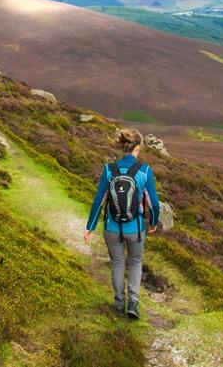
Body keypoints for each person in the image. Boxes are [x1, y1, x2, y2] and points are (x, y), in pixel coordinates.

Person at [83, 128, 160, 319]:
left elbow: (99, 200)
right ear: (137, 148)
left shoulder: (109, 170)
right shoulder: (144, 171)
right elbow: (153, 202)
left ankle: (119, 302)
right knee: (135, 263)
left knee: (117, 264)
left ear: (123, 147)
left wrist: (90, 226)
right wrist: (153, 222)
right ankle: (133, 303)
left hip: (112, 227)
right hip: (136, 229)